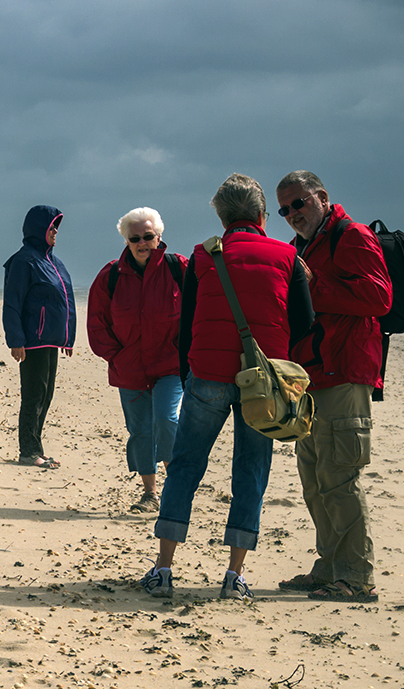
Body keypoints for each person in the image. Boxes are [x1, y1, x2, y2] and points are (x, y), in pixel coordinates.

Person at [140, 174, 313, 601]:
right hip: (264, 381)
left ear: (221, 216)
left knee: (186, 467)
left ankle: (163, 569)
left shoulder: (203, 256)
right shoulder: (287, 257)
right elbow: (306, 323)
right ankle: (234, 576)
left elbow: (188, 323)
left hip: (208, 374)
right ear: (261, 215)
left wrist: (187, 375)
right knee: (251, 471)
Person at [275, 170, 391, 603]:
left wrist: (312, 282)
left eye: (299, 204)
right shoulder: (299, 248)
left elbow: (379, 299)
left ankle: (357, 577)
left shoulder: (353, 236)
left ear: (321, 197)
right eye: (284, 209)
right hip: (309, 376)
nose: (292, 214)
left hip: (344, 372)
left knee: (339, 477)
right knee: (314, 477)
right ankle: (329, 568)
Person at [87, 207, 187, 513]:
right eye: (135, 238)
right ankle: (149, 494)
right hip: (130, 370)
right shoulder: (110, 276)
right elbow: (97, 323)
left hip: (170, 365)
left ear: (159, 236)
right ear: (126, 240)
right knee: (141, 430)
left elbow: (201, 310)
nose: (142, 243)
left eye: (148, 236)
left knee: (167, 420)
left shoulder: (178, 268)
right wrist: (117, 356)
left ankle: (177, 487)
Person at [2, 205, 77, 468]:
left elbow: (66, 299)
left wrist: (68, 338)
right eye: (51, 226)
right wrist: (16, 340)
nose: (56, 231)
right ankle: (28, 452)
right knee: (33, 395)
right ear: (38, 228)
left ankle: (37, 449)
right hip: (32, 340)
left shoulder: (54, 262)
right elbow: (12, 302)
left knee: (46, 396)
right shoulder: (24, 261)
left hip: (51, 340)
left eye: (57, 226)